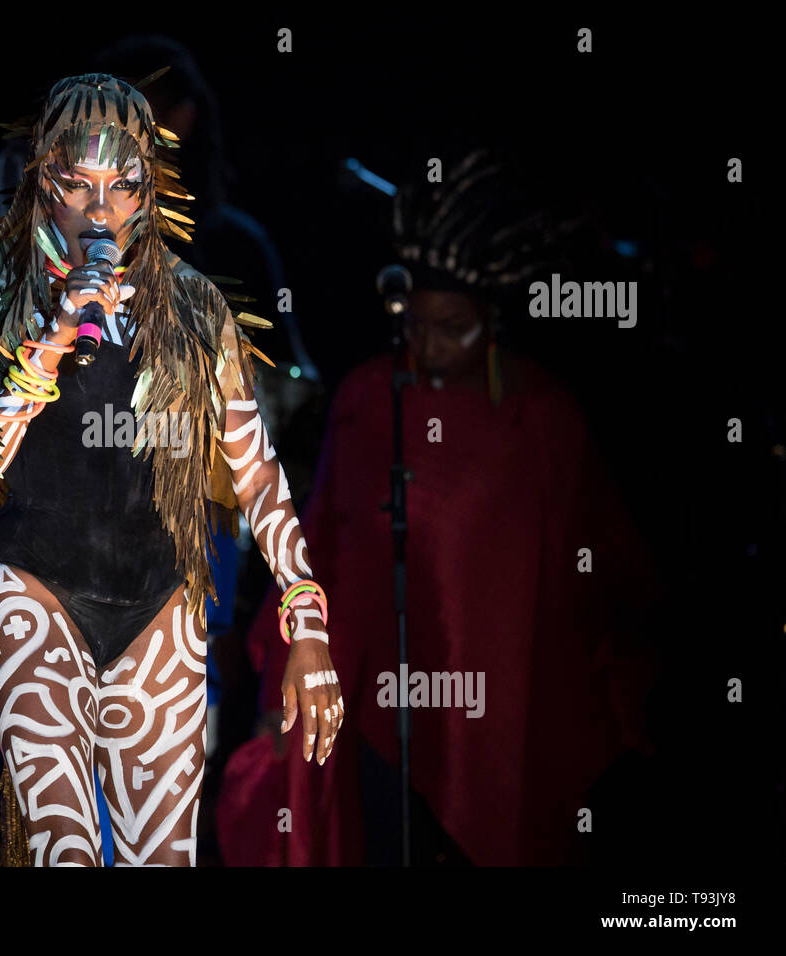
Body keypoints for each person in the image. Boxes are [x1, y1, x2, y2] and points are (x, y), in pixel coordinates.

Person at [0, 71, 339, 866]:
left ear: (150, 189)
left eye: (122, 185)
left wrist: (308, 622)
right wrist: (51, 335)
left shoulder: (192, 307)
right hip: (31, 588)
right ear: (44, 181)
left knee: (165, 860)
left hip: (159, 603)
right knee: (65, 851)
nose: (100, 209)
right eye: (77, 184)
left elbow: (256, 472)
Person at [217, 149, 659, 866]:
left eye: (452, 326)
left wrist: (616, 691)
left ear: (493, 320)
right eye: (416, 325)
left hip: (501, 719)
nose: (428, 345)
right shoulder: (368, 399)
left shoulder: (541, 417)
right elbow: (319, 538)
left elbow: (592, 568)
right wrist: (283, 679)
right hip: (377, 711)